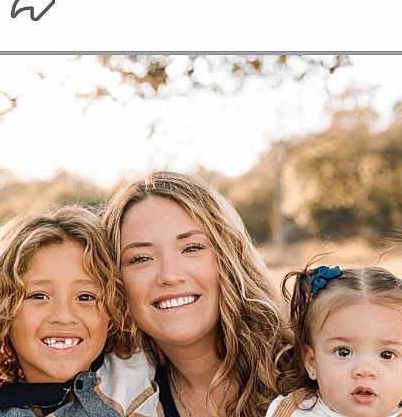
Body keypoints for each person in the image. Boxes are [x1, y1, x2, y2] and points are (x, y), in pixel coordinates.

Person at [0, 206, 163, 417]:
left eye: (85, 297)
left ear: (114, 310)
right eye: (39, 296)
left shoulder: (141, 362)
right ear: (0, 310)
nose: (63, 316)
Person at [103, 170, 283, 417]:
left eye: (191, 248)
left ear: (228, 257)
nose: (170, 275)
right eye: (141, 258)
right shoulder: (114, 397)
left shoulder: (314, 370)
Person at [269, 259, 402, 417]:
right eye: (343, 352)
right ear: (312, 361)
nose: (365, 370)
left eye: (387, 354)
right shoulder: (291, 411)